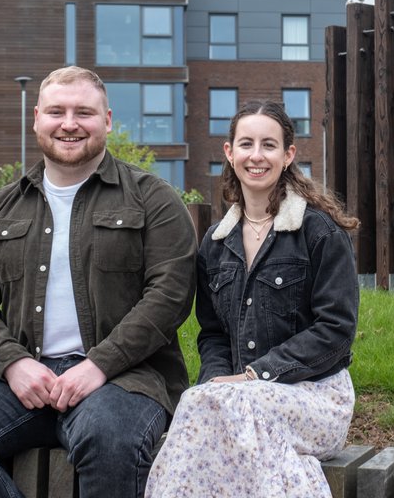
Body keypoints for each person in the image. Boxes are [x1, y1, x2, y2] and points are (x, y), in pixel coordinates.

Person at [0, 66, 198, 498]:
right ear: (37, 119)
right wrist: (13, 364)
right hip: (20, 376)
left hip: (126, 379)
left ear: (107, 120)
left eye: (83, 112)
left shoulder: (153, 198)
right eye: (56, 112)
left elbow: (170, 296)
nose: (69, 124)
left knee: (110, 440)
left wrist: (99, 364)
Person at [146, 100, 360, 498]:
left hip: (316, 397)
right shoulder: (214, 244)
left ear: (288, 154)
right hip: (237, 400)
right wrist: (217, 384)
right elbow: (211, 335)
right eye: (246, 144)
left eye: (269, 145)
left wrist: (252, 377)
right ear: (229, 152)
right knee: (200, 400)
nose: (256, 156)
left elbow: (337, 331)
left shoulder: (319, 233)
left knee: (238, 412)